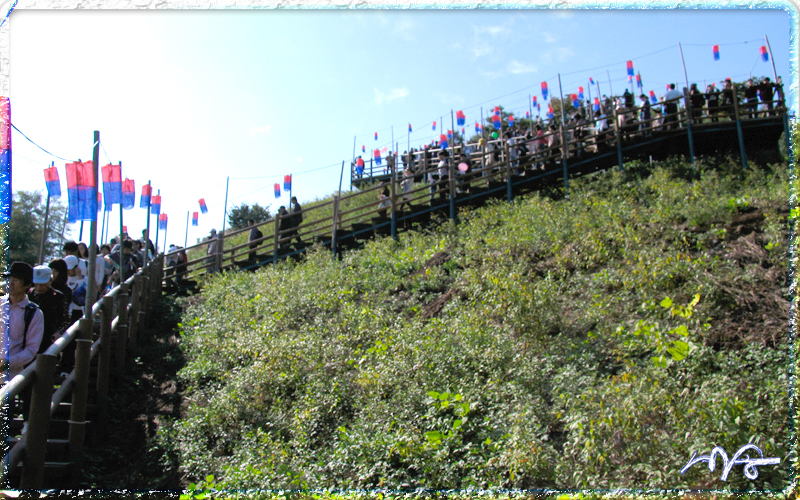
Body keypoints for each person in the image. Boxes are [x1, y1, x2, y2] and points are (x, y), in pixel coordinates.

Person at [1, 262, 44, 386]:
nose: (10, 283)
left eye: (16, 280)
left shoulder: (34, 313)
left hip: (10, 378)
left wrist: (7, 363)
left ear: (27, 285)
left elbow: (31, 350)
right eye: (9, 279)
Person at [28, 265, 68, 354]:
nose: (39, 287)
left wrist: (59, 333)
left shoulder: (58, 297)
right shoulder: (27, 296)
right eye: (36, 284)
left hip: (48, 339)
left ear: (50, 280)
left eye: (42, 284)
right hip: (29, 339)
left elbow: (65, 320)